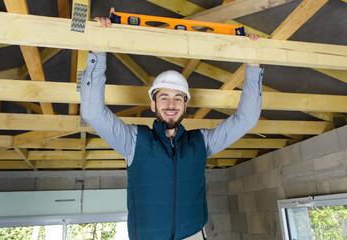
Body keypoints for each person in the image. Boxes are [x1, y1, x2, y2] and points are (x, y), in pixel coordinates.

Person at [80, 10, 263, 240]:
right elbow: (92, 112)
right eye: (163, 97)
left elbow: (246, 119)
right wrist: (98, 49)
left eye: (178, 98)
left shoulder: (201, 142)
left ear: (186, 106)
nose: (171, 104)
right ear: (153, 105)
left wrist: (254, 63)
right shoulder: (134, 141)